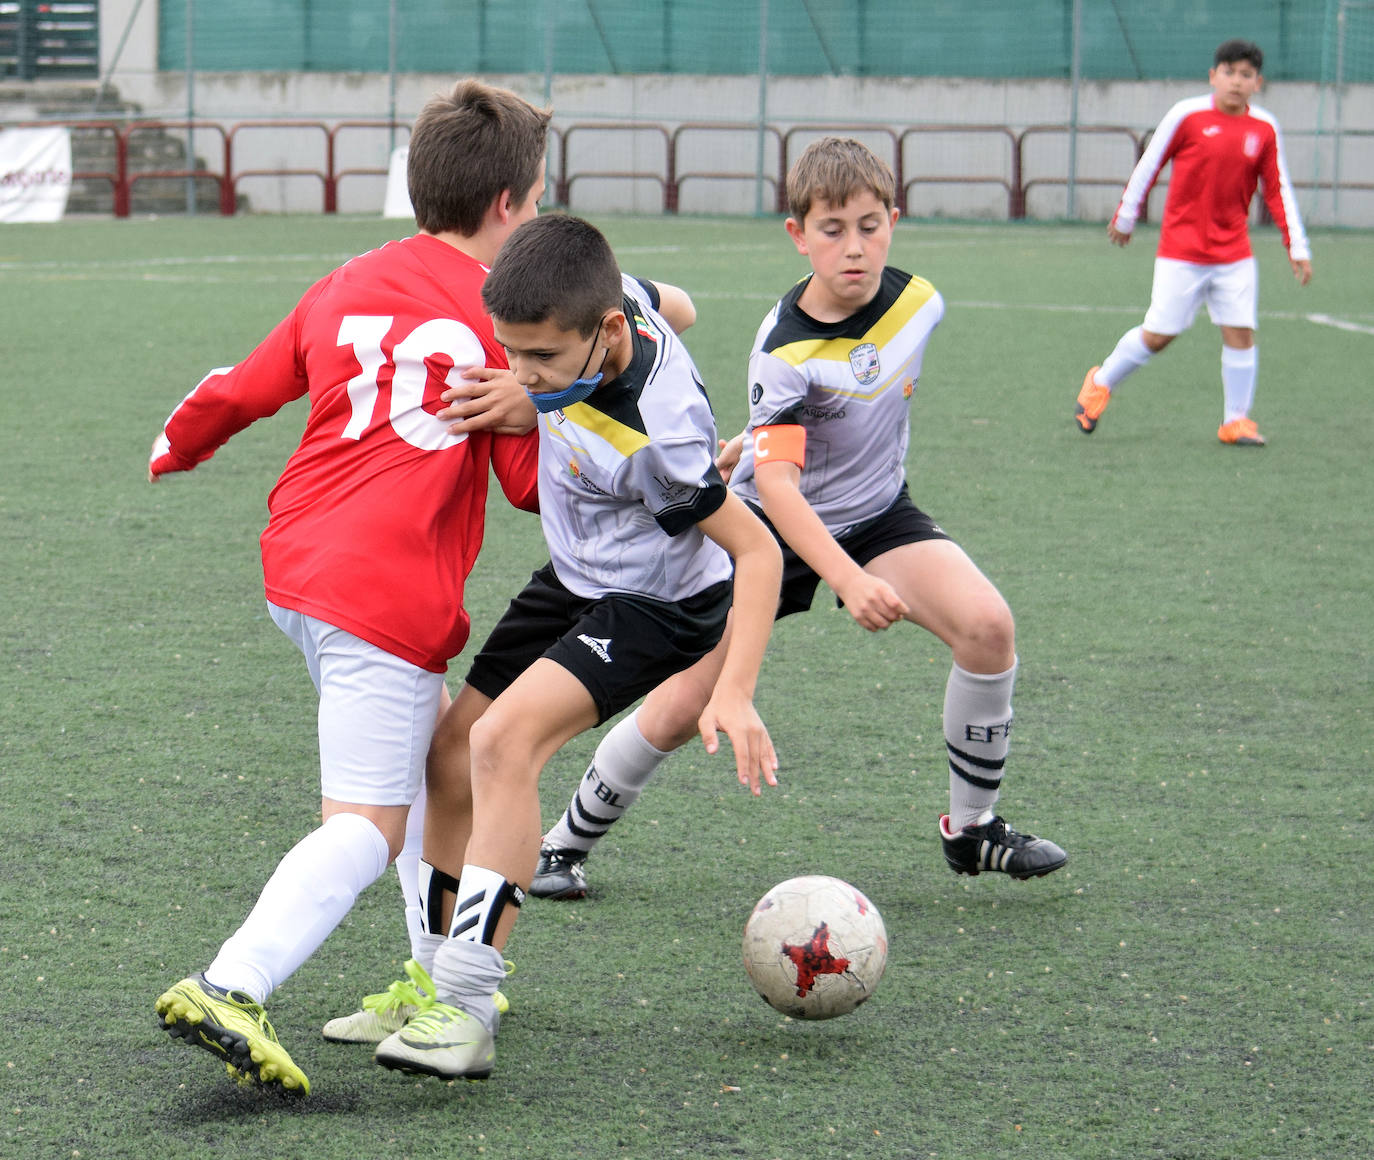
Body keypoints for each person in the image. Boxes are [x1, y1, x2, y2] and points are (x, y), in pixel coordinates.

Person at [530, 136, 1068, 904]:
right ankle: (563, 844)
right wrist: (845, 578)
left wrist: (762, 445)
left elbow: (846, 408)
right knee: (686, 705)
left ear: (894, 221)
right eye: (832, 229)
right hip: (771, 530)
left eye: (871, 224)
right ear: (798, 234)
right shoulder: (784, 348)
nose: (855, 247)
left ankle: (972, 829)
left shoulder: (921, 303)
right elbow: (779, 487)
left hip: (878, 515)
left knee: (988, 627)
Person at [148, 78, 551, 1097]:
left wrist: (175, 444)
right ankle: (233, 979)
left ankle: (432, 974)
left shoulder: (347, 280)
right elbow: (528, 487)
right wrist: (559, 410)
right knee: (369, 823)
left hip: (299, 562)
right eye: (538, 200)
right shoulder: (503, 317)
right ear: (507, 205)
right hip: (386, 592)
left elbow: (241, 387)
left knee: (422, 780)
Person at [362, 212, 783, 1082]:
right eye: (510, 352)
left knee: (502, 742)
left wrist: (733, 689)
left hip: (660, 603)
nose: (522, 373)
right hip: (579, 571)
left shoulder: (659, 440)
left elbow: (758, 551)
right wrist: (542, 386)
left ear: (608, 336)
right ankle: (431, 980)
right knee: (448, 754)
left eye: (542, 359)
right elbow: (683, 304)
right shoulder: (606, 302)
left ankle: (468, 1008)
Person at [1074, 38, 1312, 446]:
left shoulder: (1264, 128)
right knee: (1158, 336)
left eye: (1246, 75)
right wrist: (1126, 216)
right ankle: (1100, 381)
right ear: (1213, 76)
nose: (1236, 82)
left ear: (1258, 83)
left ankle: (1235, 421)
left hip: (1234, 253)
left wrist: (1297, 247)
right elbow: (1151, 162)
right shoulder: (1187, 115)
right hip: (1181, 252)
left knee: (1241, 332)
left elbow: (1277, 189)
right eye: (1229, 73)